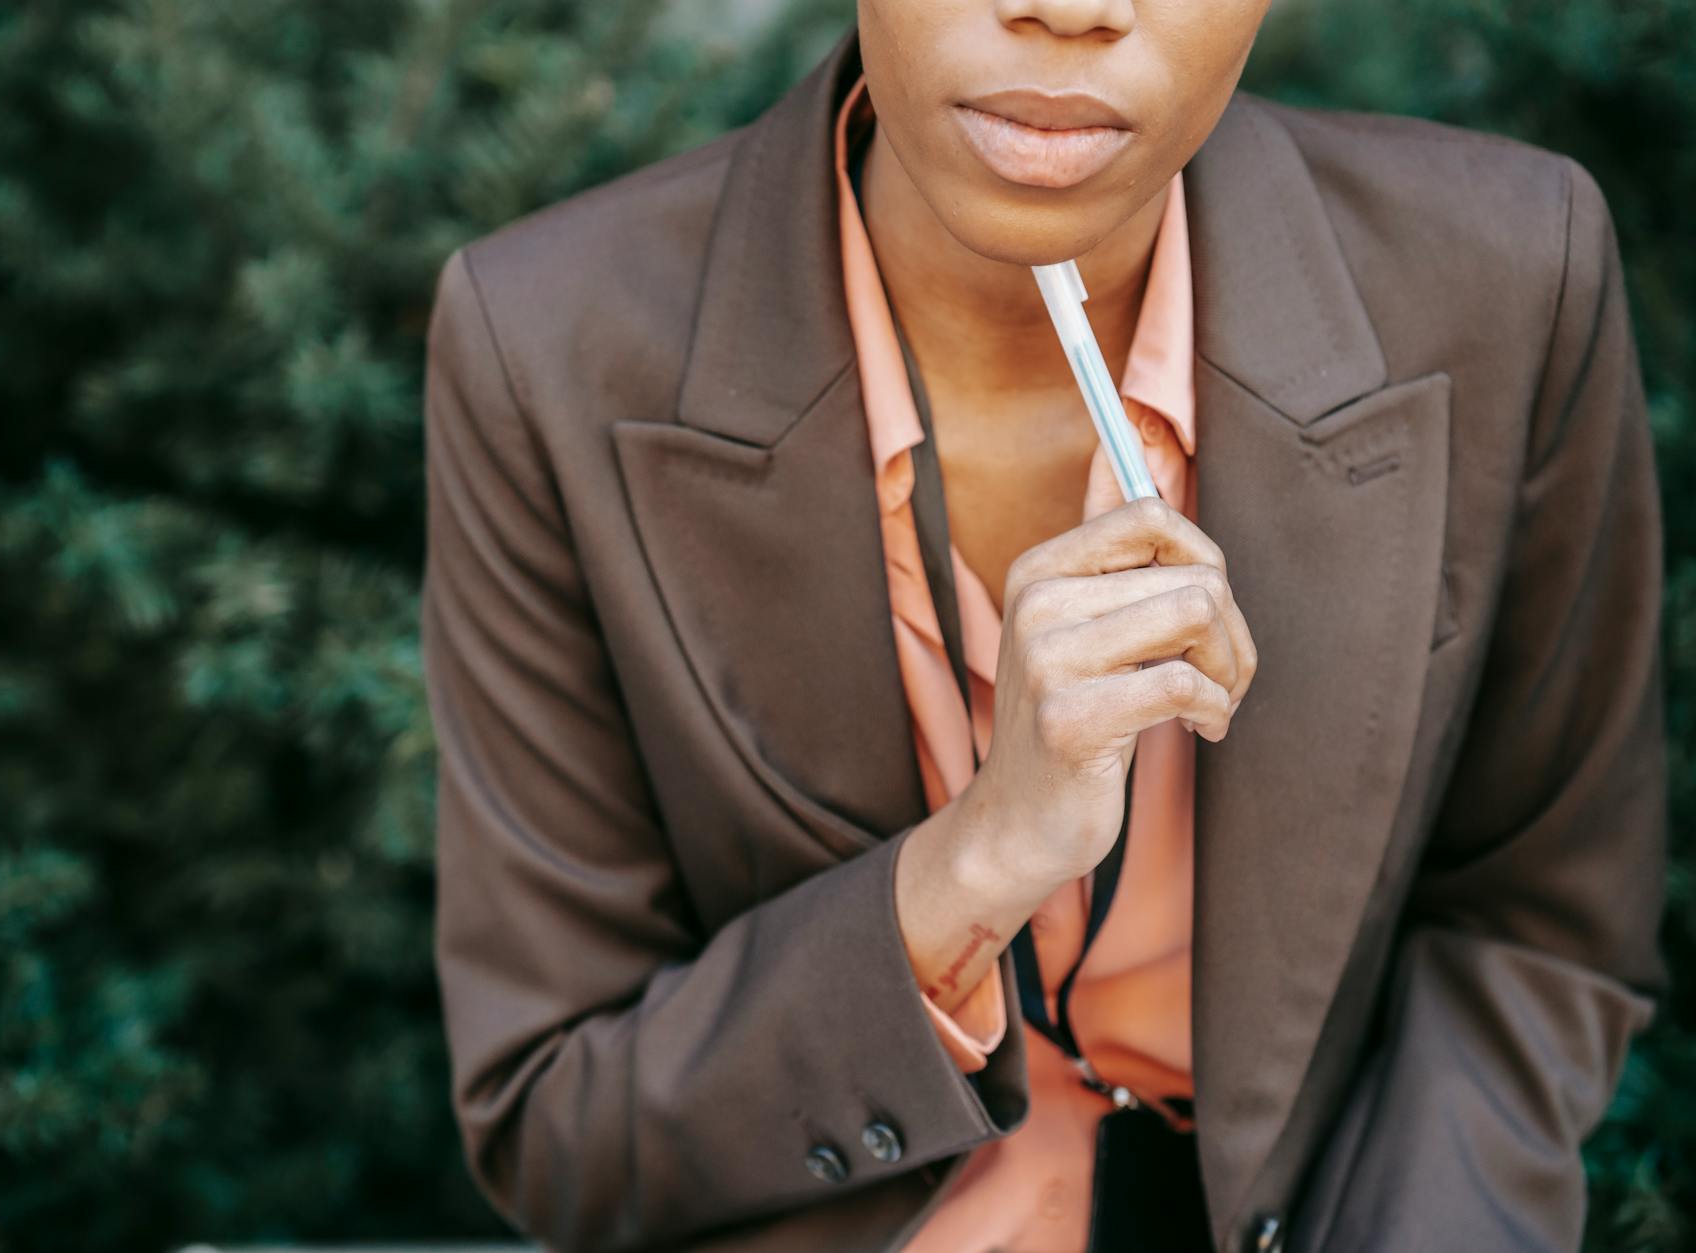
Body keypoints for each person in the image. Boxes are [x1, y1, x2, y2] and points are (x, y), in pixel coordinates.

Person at [419, 4, 1668, 1251]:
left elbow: (1531, 931)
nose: (1070, 8)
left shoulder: (1507, 276)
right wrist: (975, 859)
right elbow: (557, 1123)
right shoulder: (544, 342)